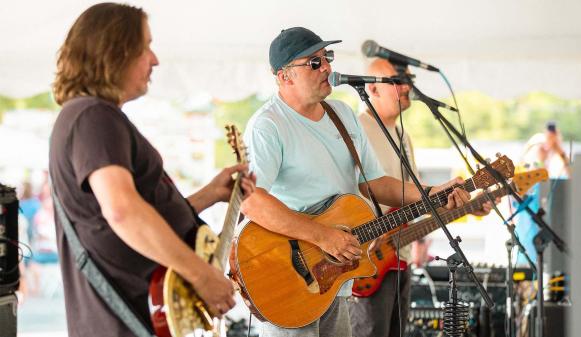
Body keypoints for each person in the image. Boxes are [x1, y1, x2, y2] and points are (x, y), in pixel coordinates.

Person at [240, 27, 471, 337]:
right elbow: (251, 200)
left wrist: (432, 193)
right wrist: (322, 236)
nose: (327, 68)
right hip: (290, 279)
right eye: (314, 62)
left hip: (336, 278)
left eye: (327, 58)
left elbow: (374, 183)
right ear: (284, 76)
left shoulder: (342, 115)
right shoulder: (268, 126)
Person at [49, 3, 256, 336]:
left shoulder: (87, 117)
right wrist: (201, 276)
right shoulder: (94, 117)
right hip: (125, 320)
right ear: (115, 52)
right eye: (145, 47)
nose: (155, 59)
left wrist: (210, 195)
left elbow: (136, 210)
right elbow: (121, 211)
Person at [348, 59, 495, 337]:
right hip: (365, 260)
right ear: (372, 89)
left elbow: (412, 200)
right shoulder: (357, 130)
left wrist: (469, 206)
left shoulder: (403, 136)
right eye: (396, 81)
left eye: (407, 80)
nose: (406, 87)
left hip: (399, 259)